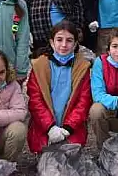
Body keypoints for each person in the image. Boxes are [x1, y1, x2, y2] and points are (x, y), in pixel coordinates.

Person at [26, 21, 93, 153]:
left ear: (75, 44)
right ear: (52, 42)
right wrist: (50, 127)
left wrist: (68, 128)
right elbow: (35, 100)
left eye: (69, 40)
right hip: (45, 127)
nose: (64, 45)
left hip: (70, 128)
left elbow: (83, 101)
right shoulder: (40, 66)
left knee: (69, 158)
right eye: (59, 40)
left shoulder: (82, 67)